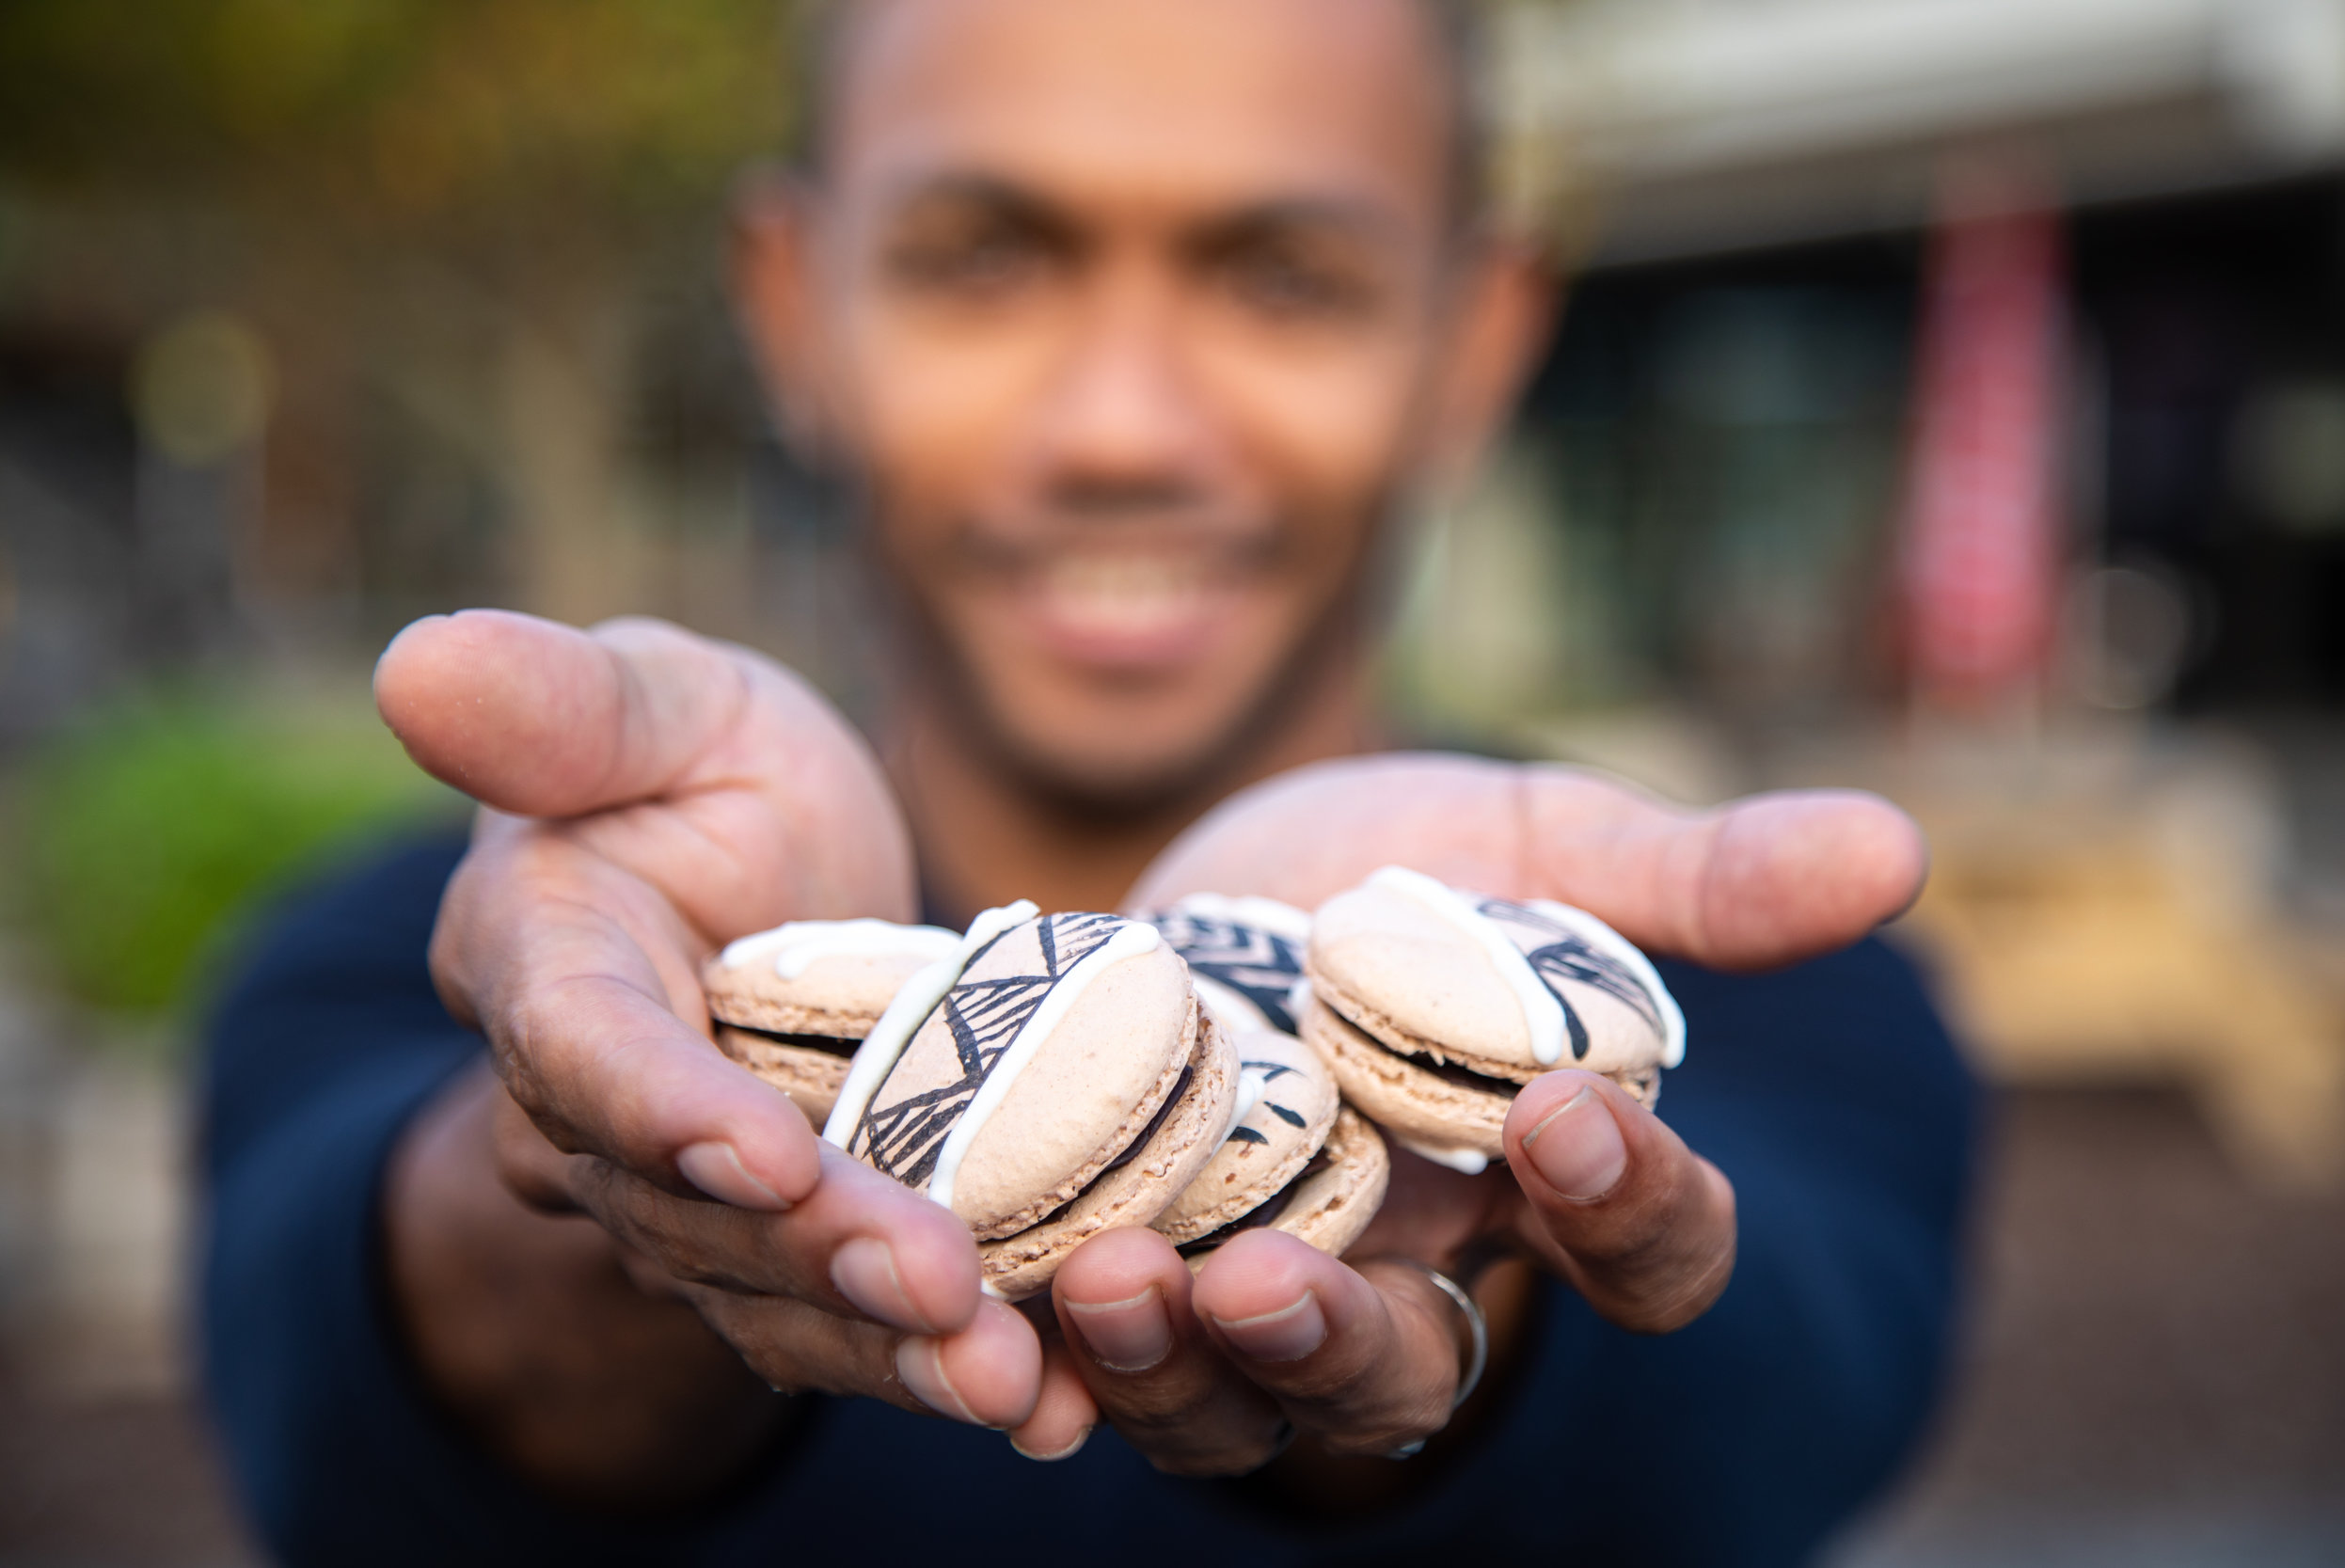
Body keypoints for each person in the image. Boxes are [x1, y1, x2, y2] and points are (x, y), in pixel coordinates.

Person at [200, 0, 1977, 1562]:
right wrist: (608, 1161)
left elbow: (1757, 1434)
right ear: (792, 307)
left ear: (1481, 338)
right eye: (985, 259)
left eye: (1285, 277)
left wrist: (1470, 1263)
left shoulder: (1776, 1004)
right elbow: (330, 1442)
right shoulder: (401, 955)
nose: (1123, 425)